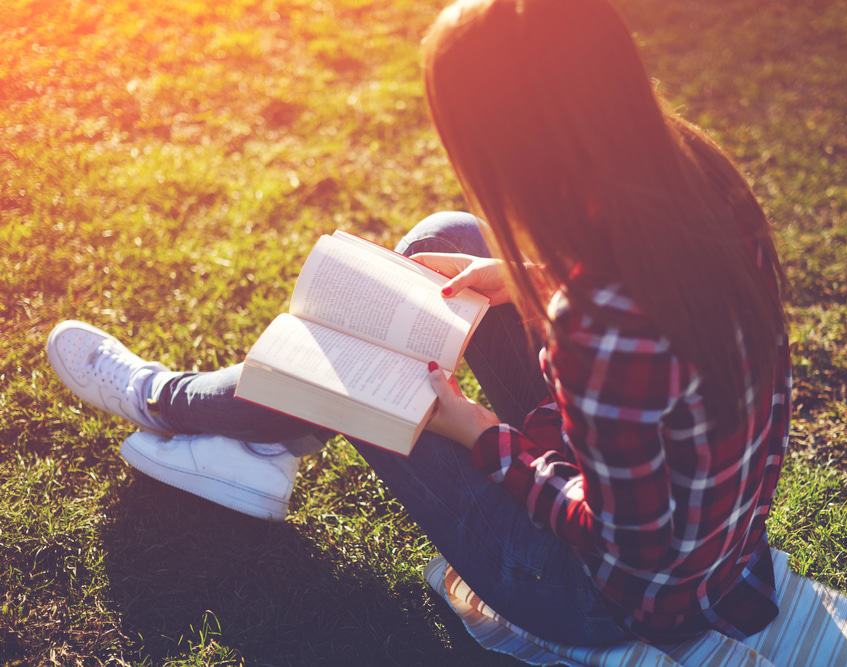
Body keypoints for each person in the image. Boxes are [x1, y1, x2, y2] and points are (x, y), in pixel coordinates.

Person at [46, 0, 791, 647]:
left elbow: (626, 556)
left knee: (380, 367)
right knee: (445, 238)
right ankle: (272, 439)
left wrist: (476, 432)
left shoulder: (600, 330)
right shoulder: (697, 174)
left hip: (595, 595)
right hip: (717, 534)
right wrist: (531, 277)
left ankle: (170, 402)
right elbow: (663, 323)